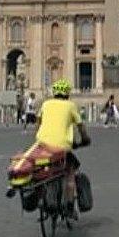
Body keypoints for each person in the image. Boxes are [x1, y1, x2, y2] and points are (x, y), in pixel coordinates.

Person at [26, 79, 90, 219]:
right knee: (70, 173)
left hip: (42, 144)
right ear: (67, 94)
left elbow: (38, 124)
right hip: (61, 146)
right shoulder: (70, 105)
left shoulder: (45, 104)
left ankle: (41, 195)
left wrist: (38, 137)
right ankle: (69, 206)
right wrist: (85, 139)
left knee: (41, 170)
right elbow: (81, 126)